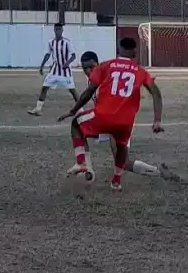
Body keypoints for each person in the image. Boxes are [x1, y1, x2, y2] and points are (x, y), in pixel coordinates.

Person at [60, 37, 165, 191]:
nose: (88, 71)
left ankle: (156, 172)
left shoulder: (106, 69)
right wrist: (157, 120)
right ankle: (90, 170)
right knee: (90, 137)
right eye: (85, 69)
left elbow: (89, 94)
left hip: (107, 119)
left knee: (122, 159)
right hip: (121, 122)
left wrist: (73, 110)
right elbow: (154, 92)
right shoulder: (135, 70)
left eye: (91, 67)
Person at [28, 23, 77, 116]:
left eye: (59, 29)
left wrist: (67, 64)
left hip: (65, 72)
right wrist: (42, 66)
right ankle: (38, 109)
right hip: (54, 71)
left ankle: (81, 110)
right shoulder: (51, 42)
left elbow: (73, 56)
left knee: (72, 91)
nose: (58, 31)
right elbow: (48, 54)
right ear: (54, 30)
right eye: (56, 29)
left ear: (62, 30)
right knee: (44, 88)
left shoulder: (67, 42)